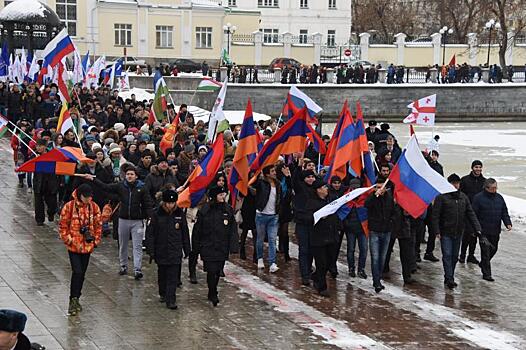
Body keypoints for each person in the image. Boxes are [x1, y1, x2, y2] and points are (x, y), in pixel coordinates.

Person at [80, 166, 153, 279]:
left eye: (132, 174)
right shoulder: (121, 186)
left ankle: (137, 269)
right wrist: (93, 179)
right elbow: (106, 187)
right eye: (128, 174)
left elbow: (148, 203)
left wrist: (150, 217)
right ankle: (123, 265)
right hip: (123, 219)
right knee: (123, 244)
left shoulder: (142, 188)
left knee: (137, 246)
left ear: (136, 176)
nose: (129, 176)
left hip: (137, 221)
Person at [59, 184, 103, 315]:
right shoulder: (69, 206)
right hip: (73, 246)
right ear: (80, 195)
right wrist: (69, 239)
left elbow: (98, 224)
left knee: (82, 274)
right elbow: (62, 225)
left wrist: (95, 240)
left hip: (87, 246)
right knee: (77, 272)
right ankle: (73, 300)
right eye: (86, 197)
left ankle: (77, 297)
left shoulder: (94, 207)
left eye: (90, 197)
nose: (88, 199)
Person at [192, 186, 239, 306]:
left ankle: (212, 290)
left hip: (222, 246)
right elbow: (198, 230)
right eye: (220, 195)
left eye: (224, 195)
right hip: (208, 245)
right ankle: (213, 293)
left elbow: (233, 230)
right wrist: (196, 247)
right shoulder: (205, 210)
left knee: (218, 271)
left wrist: (233, 246)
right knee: (211, 271)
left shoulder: (228, 210)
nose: (223, 197)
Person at [432, 174, 481, 289]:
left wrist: (477, 228)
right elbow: (435, 216)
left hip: (458, 232)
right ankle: (449, 278)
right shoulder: (441, 197)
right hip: (445, 232)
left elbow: (470, 213)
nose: (455, 185)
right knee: (447, 255)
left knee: (454, 256)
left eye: (457, 183)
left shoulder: (463, 197)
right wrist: (436, 230)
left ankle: (449, 275)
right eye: (453, 183)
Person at [147, 189, 190, 310]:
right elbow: (150, 233)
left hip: (175, 250)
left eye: (173, 203)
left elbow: (184, 232)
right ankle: (163, 293)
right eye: (168, 203)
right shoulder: (156, 214)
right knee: (163, 274)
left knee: (173, 276)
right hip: (161, 249)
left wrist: (187, 249)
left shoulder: (179, 214)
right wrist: (151, 250)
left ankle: (171, 299)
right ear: (164, 203)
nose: (170, 205)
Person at [304, 179, 339, 297]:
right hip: (319, 238)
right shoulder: (311, 203)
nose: (326, 189)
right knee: (321, 262)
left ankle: (316, 276)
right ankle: (322, 287)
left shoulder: (331, 200)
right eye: (324, 187)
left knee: (330, 261)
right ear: (318, 190)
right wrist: (318, 217)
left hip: (332, 236)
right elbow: (308, 219)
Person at [472, 178, 512, 281]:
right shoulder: (478, 198)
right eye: (493, 188)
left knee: (494, 249)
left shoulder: (499, 198)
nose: (495, 190)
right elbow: (473, 214)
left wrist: (508, 223)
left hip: (495, 229)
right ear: (486, 188)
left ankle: (483, 264)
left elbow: (504, 211)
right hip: (483, 231)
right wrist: (475, 229)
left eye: (496, 187)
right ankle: (487, 274)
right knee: (485, 252)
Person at [365, 179, 395, 293]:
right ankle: (376, 281)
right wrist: (374, 195)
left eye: (382, 187)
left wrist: (391, 222)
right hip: (375, 231)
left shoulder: (389, 197)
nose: (380, 189)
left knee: (382, 258)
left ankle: (378, 278)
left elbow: (393, 211)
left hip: (386, 230)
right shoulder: (372, 197)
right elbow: (366, 205)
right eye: (378, 187)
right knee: (375, 257)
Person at [253, 165, 283, 273]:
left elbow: (280, 198)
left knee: (272, 240)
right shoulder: (261, 183)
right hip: (261, 215)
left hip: (273, 216)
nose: (275, 173)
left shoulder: (278, 184)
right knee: (260, 239)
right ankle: (260, 258)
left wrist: (278, 211)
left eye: (275, 171)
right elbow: (253, 184)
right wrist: (257, 173)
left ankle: (272, 263)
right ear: (267, 174)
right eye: (272, 171)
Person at [459, 160, 486, 264]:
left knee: (476, 234)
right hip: (467, 211)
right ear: (472, 168)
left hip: (479, 213)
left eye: (480, 167)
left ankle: (471, 255)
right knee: (466, 235)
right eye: (476, 167)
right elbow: (461, 195)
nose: (478, 169)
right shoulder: (465, 180)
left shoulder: (484, 181)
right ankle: (462, 255)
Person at [342, 179, 368, 279]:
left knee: (364, 250)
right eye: (354, 187)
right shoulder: (346, 198)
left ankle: (361, 269)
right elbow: (343, 212)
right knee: (351, 249)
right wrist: (347, 224)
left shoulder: (365, 198)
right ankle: (351, 268)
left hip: (363, 228)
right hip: (350, 229)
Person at [32, 139, 59, 226]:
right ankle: (39, 220)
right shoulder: (34, 155)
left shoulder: (52, 156)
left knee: (52, 203)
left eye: (40, 146)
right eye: (37, 146)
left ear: (45, 146)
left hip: (50, 183)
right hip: (39, 182)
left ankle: (51, 213)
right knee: (38, 203)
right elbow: (28, 165)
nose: (38, 148)